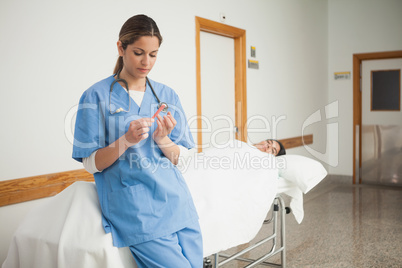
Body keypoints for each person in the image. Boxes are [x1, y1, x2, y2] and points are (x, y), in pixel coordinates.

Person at [72, 14, 202, 268]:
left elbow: (181, 159)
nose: (147, 62)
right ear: (121, 47)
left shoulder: (167, 95)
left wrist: (163, 139)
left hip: (177, 201)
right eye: (139, 52)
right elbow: (90, 164)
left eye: (153, 54)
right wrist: (126, 141)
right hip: (137, 209)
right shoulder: (95, 96)